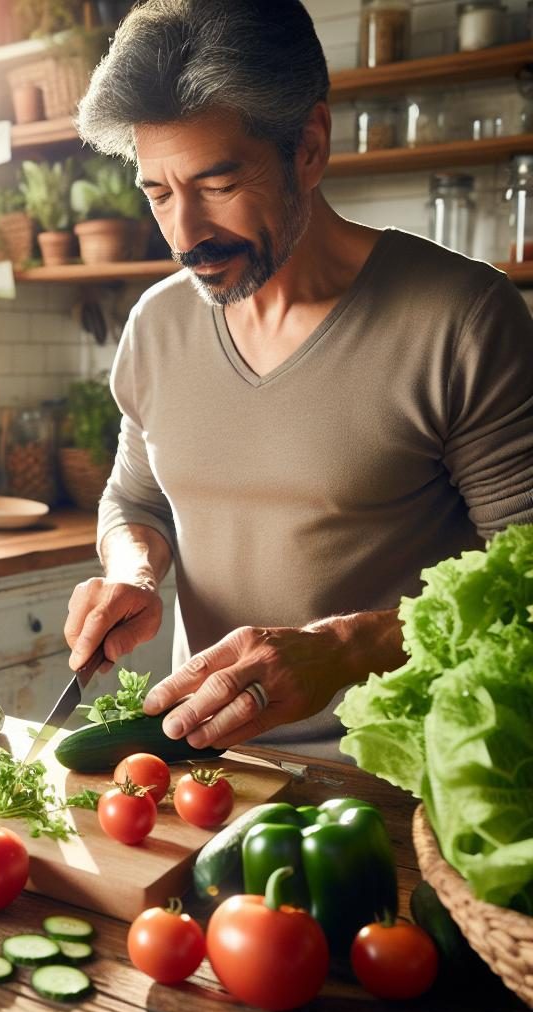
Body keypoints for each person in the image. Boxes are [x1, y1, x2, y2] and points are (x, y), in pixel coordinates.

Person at [62, 0, 533, 760]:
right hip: (208, 767)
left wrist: (345, 649)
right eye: (158, 194)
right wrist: (133, 571)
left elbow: (527, 582)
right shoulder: (155, 326)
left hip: (401, 777)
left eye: (217, 184)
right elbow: (137, 497)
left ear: (308, 147)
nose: (185, 237)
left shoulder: (464, 317)